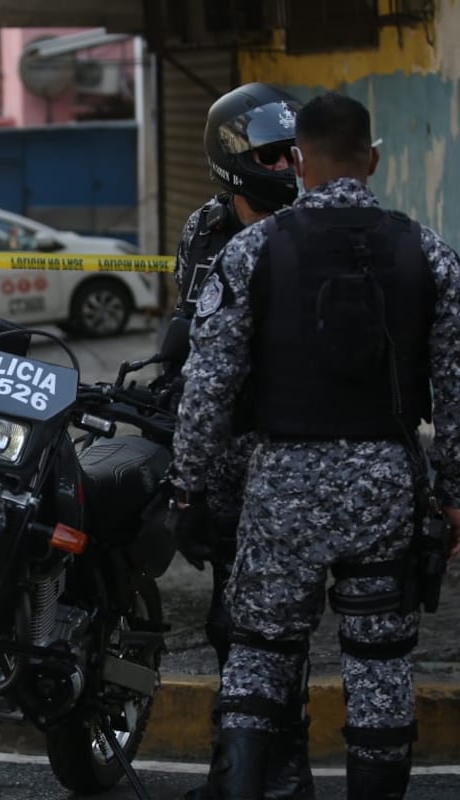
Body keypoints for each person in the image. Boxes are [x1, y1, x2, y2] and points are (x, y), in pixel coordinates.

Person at [169, 91, 460, 799]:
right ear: (374, 159)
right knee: (380, 665)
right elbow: (454, 393)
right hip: (386, 486)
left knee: (260, 657)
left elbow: (207, 385)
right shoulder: (428, 252)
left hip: (281, 489)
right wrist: (451, 495)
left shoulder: (253, 250)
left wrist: (187, 486)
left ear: (298, 161)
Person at [168, 82, 313, 800]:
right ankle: (241, 772)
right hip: (222, 452)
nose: (286, 166)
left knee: (268, 626)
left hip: (293, 452)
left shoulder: (314, 227)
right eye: (271, 155)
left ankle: (278, 772)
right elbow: (188, 334)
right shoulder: (204, 229)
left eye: (293, 152)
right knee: (234, 622)